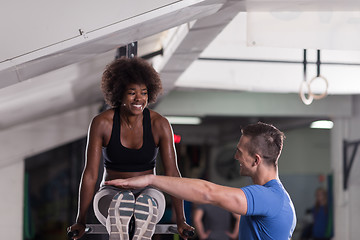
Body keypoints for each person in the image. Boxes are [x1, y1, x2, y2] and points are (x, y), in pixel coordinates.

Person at [67, 57, 193, 240]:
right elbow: (90, 174)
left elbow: (173, 173)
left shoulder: (160, 124)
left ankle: (140, 222)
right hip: (111, 192)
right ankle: (120, 222)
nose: (139, 98)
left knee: (147, 202)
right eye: (132, 92)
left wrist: (181, 220)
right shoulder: (103, 123)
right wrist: (81, 220)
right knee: (119, 203)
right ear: (119, 94)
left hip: (149, 192)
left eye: (143, 92)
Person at [106, 122, 297, 240]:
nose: (235, 156)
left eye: (239, 152)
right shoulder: (275, 197)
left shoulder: (269, 198)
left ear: (256, 160)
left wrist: (150, 179)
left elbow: (208, 192)